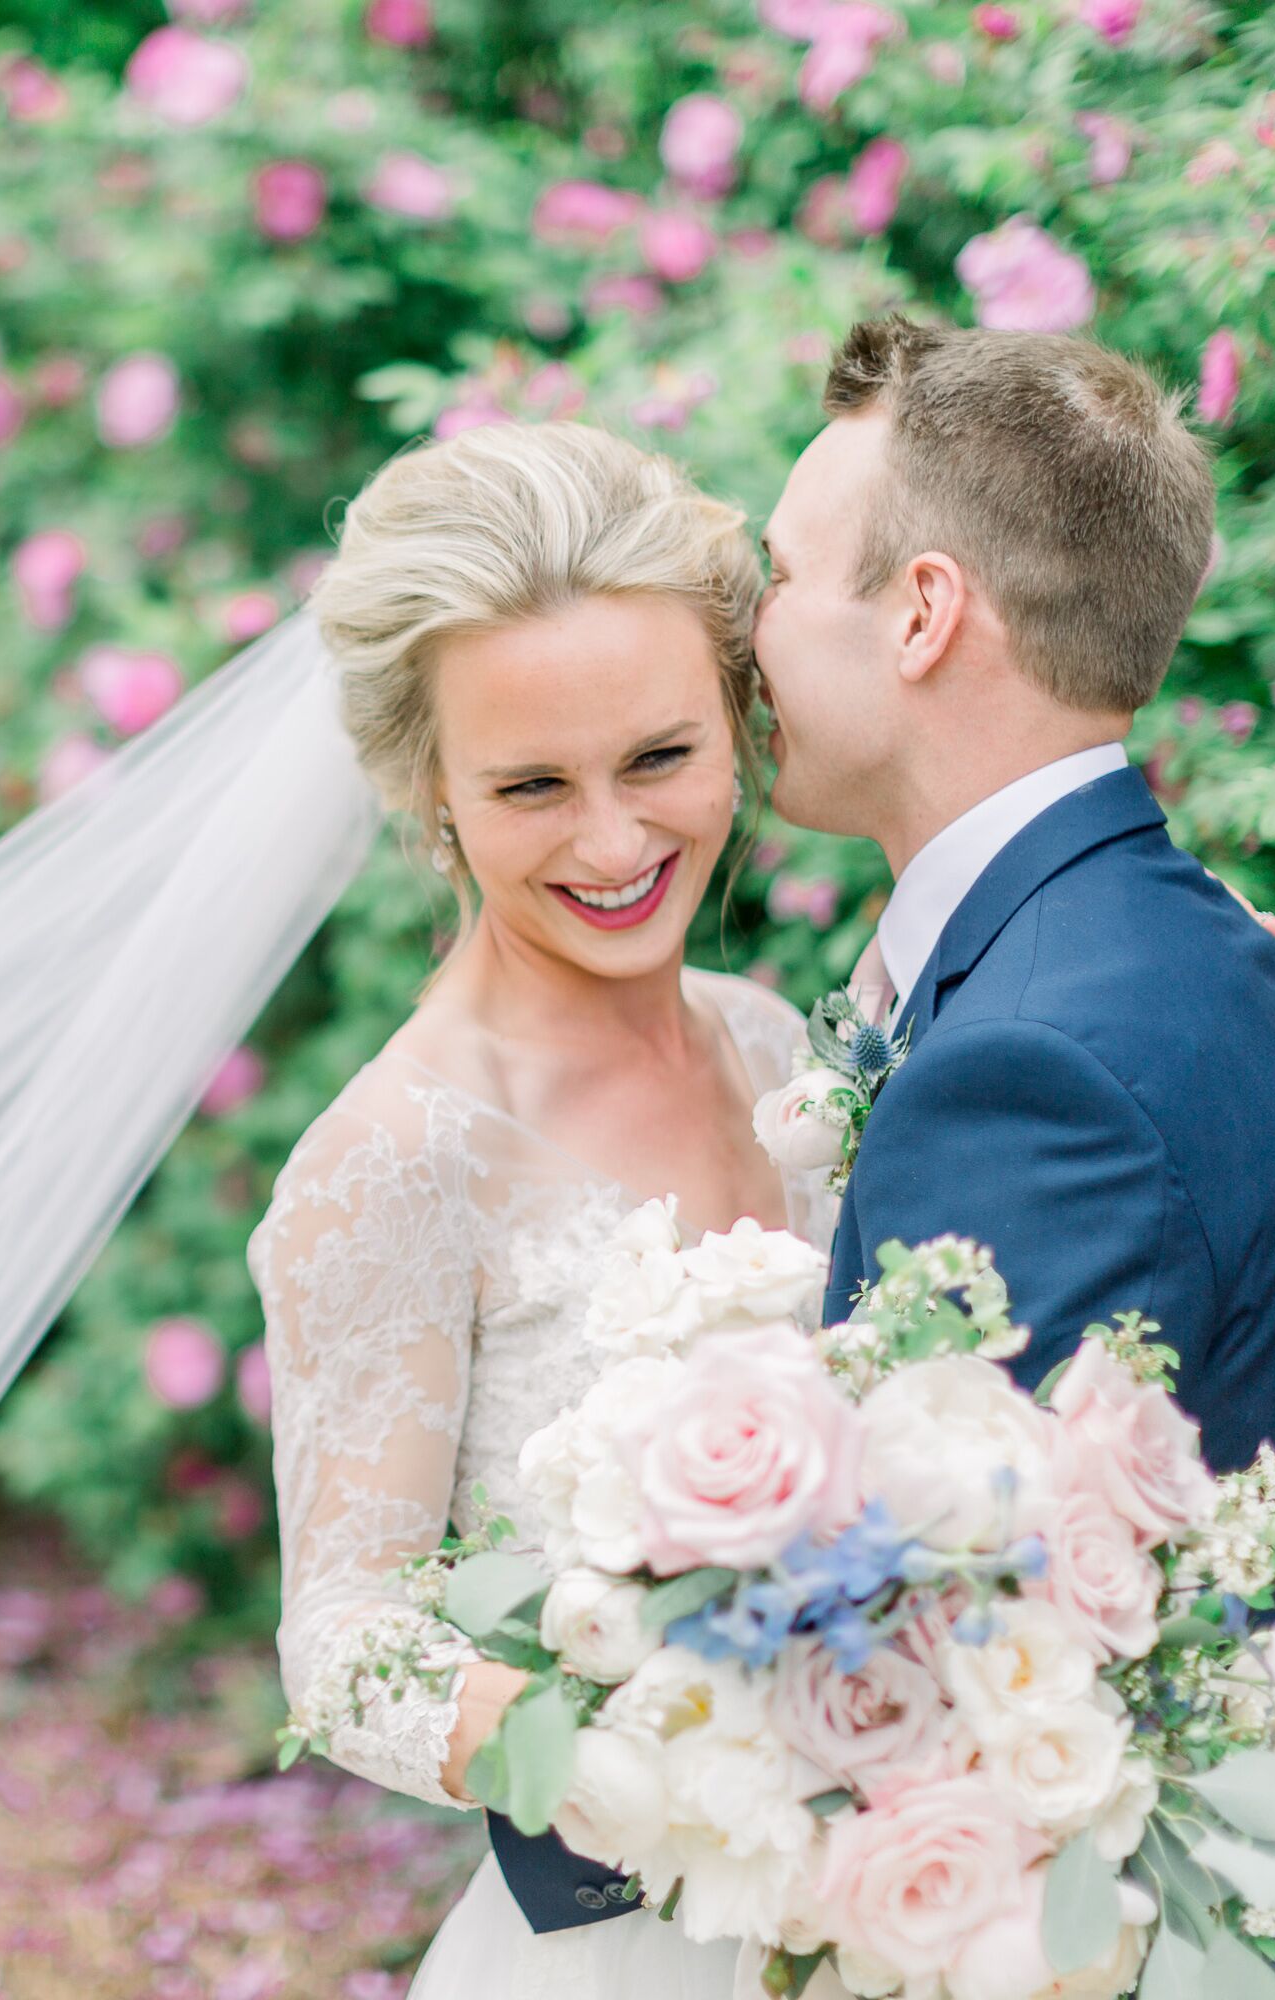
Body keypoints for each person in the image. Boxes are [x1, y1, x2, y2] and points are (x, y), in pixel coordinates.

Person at [757, 318, 1275, 1996]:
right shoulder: (1146, 943)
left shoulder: (1038, 1062)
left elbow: (945, 1655)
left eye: (780, 576)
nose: (748, 630)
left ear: (924, 610)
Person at [256, 421, 825, 1999]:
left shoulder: (779, 1046)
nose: (617, 841)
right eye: (531, 787)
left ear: (738, 718)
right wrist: (603, 1750)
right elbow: (346, 1636)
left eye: (660, 757)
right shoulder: (398, 1158)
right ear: (429, 796)